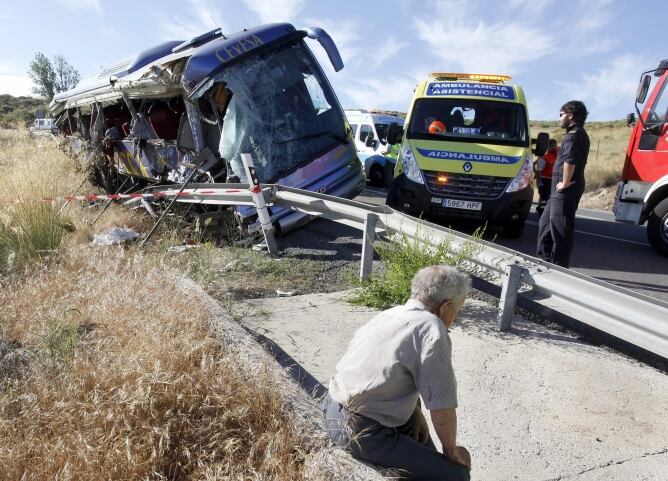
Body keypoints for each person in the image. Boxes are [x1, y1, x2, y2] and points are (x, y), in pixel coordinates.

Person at [322, 265, 472, 481]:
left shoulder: (390, 314)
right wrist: (453, 452)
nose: (455, 318)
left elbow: (393, 373)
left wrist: (416, 412)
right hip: (359, 430)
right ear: (445, 306)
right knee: (455, 475)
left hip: (332, 408)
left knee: (421, 437)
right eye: (457, 310)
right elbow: (442, 409)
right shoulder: (432, 329)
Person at [536, 101, 590, 268]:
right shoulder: (574, 134)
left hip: (565, 188)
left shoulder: (574, 135)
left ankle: (559, 267)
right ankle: (542, 262)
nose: (560, 118)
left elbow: (570, 161)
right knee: (545, 224)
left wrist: (565, 183)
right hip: (558, 189)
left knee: (560, 228)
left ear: (570, 115)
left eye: (561, 115)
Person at [535, 139, 559, 217]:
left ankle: (542, 210)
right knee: (544, 199)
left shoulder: (557, 154)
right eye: (551, 145)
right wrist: (540, 183)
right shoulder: (544, 157)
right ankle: (541, 213)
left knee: (550, 198)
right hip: (545, 180)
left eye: (554, 145)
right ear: (548, 146)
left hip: (554, 180)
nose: (553, 146)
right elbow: (538, 171)